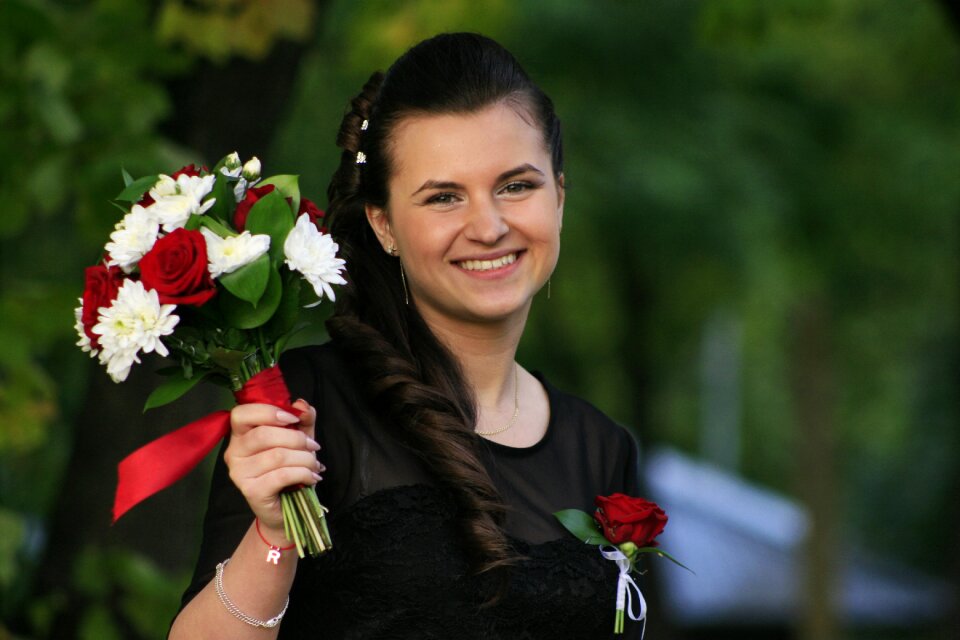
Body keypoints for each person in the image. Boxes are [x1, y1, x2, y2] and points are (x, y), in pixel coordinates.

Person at [170, 32, 642, 639]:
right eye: (444, 197)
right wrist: (273, 538)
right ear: (383, 223)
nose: (490, 225)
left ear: (559, 197)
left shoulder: (602, 447)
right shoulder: (306, 408)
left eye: (517, 186)